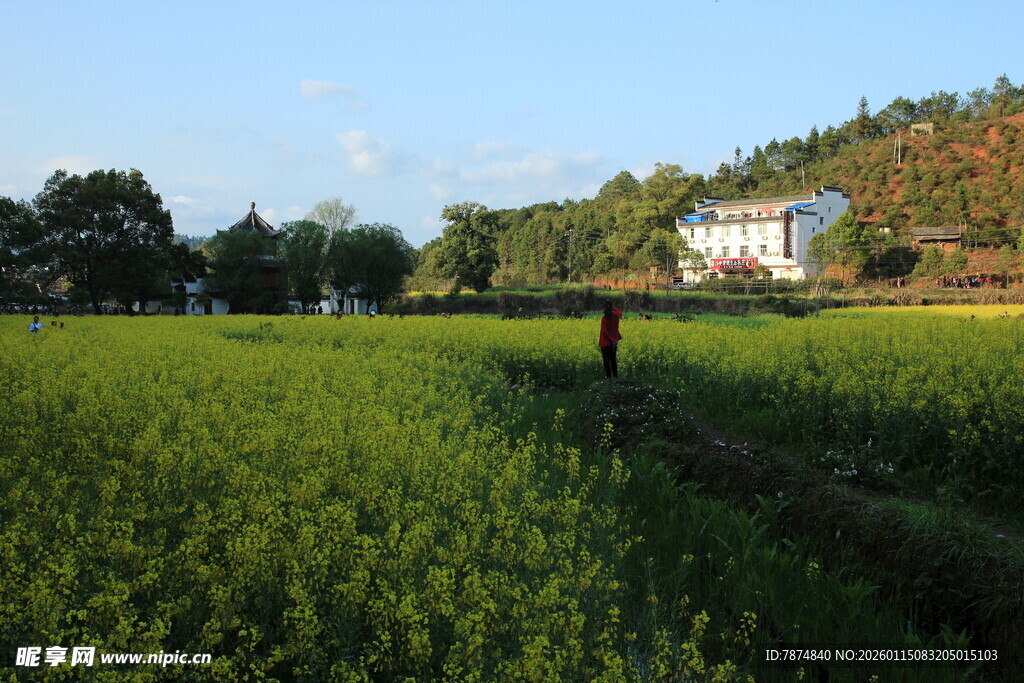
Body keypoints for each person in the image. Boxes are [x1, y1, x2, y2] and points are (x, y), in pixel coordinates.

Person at [599, 300, 623, 379]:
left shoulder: (604, 318)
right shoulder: (616, 316)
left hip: (605, 343)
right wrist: (612, 306)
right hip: (614, 343)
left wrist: (611, 340)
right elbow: (620, 311)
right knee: (613, 361)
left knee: (606, 362)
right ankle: (615, 377)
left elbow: (605, 332)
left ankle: (609, 378)